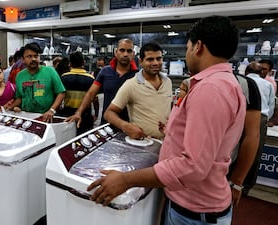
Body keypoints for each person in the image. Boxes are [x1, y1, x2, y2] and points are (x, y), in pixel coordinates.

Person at [87, 16, 246, 225]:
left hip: (194, 210)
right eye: (150, 59)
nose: (156, 63)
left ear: (198, 46)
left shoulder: (210, 89)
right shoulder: (222, 84)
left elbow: (193, 166)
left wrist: (126, 180)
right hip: (183, 195)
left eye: (188, 46)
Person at [104, 42, 172, 140]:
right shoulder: (131, 84)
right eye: (150, 59)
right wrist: (126, 126)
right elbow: (109, 113)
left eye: (159, 58)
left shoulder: (167, 82)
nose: (156, 63)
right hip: (143, 143)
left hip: (167, 142)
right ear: (140, 61)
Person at [65, 38, 138, 128]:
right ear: (116, 52)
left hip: (131, 126)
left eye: (129, 51)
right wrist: (78, 113)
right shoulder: (105, 71)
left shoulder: (138, 75)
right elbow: (91, 94)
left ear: (133, 54)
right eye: (122, 50)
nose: (125, 54)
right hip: (107, 124)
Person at [6, 42, 66, 123]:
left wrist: (52, 110)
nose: (33, 59)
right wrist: (10, 108)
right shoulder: (20, 75)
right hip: (26, 117)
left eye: (36, 56)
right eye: (29, 56)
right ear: (23, 59)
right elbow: (19, 97)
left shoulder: (50, 71)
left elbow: (61, 93)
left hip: (46, 116)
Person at [228, 73, 261, 206]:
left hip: (224, 172)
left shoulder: (244, 84)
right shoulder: (192, 82)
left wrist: (237, 182)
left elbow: (252, 135)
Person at [243, 61, 275, 195]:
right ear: (261, 73)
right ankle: (246, 186)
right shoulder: (268, 85)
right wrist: (264, 120)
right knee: (255, 154)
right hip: (260, 118)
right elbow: (271, 106)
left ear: (246, 72)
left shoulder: (242, 81)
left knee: (234, 149)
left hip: (241, 116)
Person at [59, 51, 98, 134]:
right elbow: (95, 99)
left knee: (68, 137)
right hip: (85, 114)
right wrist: (96, 113)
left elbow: (60, 96)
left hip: (67, 113)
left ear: (70, 63)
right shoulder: (91, 78)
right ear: (83, 62)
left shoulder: (64, 77)